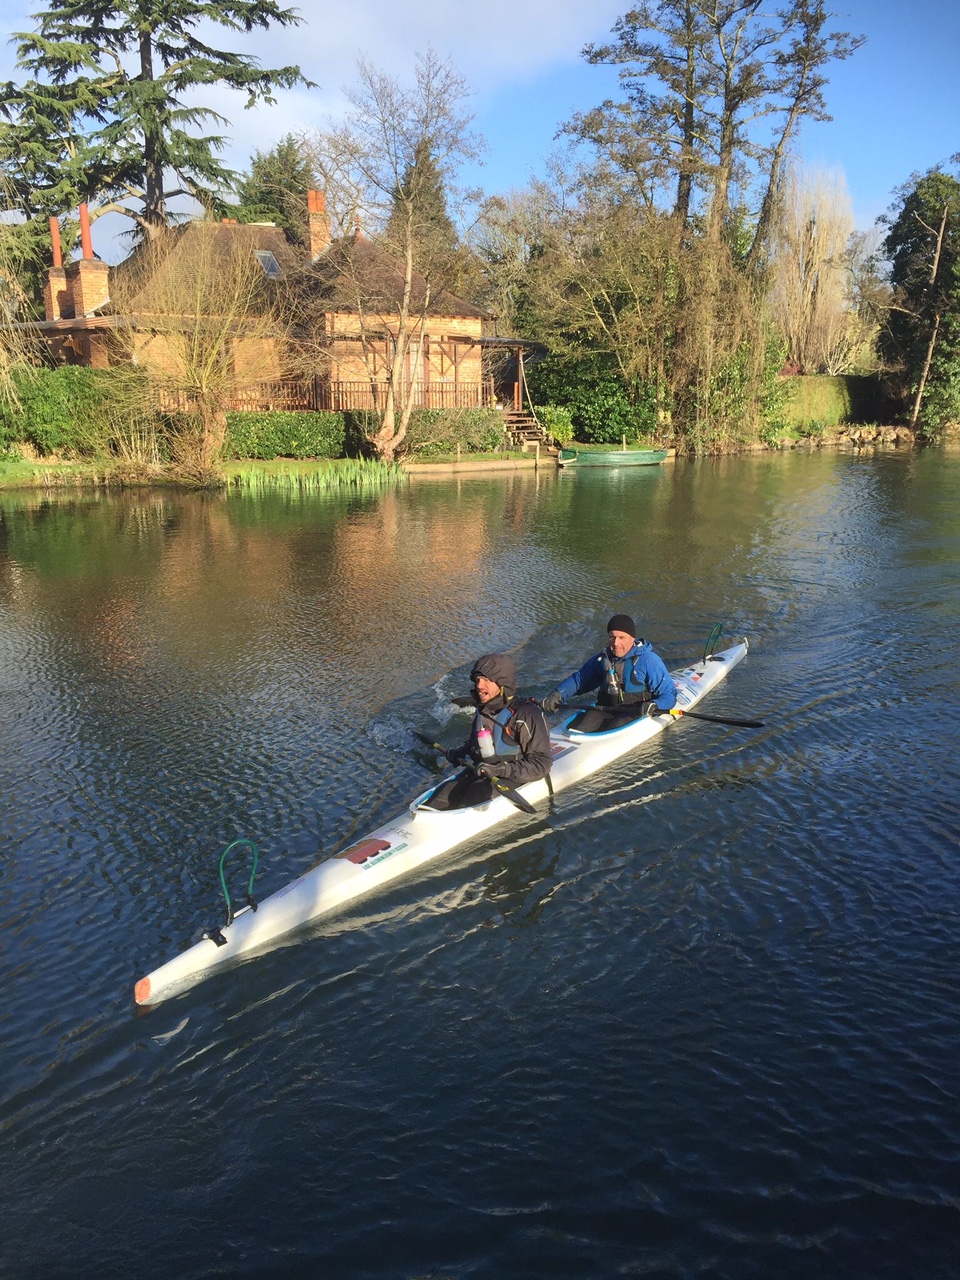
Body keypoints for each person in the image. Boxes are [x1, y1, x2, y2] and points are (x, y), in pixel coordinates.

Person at [427, 653, 552, 810]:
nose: (479, 685)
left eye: (486, 680)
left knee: (476, 793)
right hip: (483, 771)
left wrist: (501, 769)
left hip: (516, 775)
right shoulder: (482, 709)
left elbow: (541, 764)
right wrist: (461, 752)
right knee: (440, 796)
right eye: (478, 680)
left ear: (502, 684)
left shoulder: (527, 714)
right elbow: (477, 743)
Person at [540, 614, 677, 733]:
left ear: (632, 638)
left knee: (615, 726)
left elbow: (669, 693)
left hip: (635, 712)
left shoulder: (649, 660)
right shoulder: (602, 659)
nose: (616, 643)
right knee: (580, 725)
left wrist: (656, 705)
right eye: (612, 637)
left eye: (621, 637)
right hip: (606, 708)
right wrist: (557, 694)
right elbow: (579, 681)